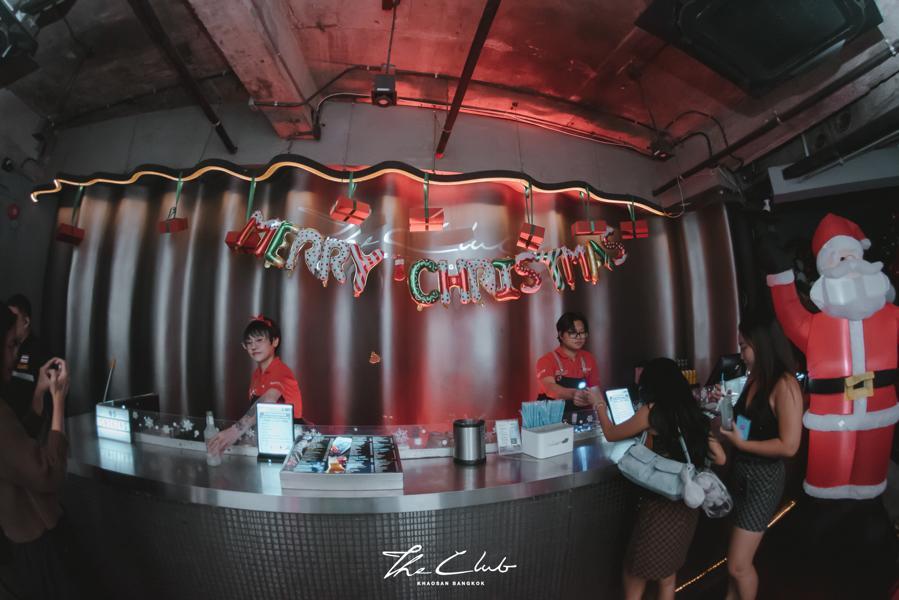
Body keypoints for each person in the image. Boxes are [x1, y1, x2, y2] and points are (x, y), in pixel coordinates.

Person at [595, 357, 726, 600]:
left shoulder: (652, 410)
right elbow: (720, 457)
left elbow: (612, 434)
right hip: (688, 504)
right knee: (668, 574)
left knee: (634, 571)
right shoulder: (692, 412)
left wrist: (599, 405)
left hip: (659, 506)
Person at [714, 315, 802, 600]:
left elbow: (789, 446)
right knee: (732, 559)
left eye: (744, 347)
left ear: (762, 345)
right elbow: (746, 427)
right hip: (740, 472)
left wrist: (743, 443)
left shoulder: (784, 384)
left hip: (764, 479)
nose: (741, 354)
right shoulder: (755, 378)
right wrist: (725, 411)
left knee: (739, 565)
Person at [0, 302, 80, 598]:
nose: (15, 355)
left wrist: (38, 394)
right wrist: (58, 401)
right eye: (11, 345)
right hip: (35, 545)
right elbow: (48, 474)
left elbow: (15, 448)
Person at [207, 315, 302, 456]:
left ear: (275, 341)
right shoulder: (256, 374)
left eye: (259, 340)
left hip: (289, 446)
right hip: (269, 442)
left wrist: (234, 432)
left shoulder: (280, 370)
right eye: (249, 342)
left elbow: (268, 400)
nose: (253, 346)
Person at [535, 312, 601, 420]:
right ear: (561, 335)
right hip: (551, 421)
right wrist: (574, 393)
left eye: (582, 333)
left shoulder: (589, 358)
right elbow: (550, 388)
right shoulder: (546, 360)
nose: (579, 337)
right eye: (572, 333)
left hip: (582, 418)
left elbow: (595, 391)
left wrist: (602, 415)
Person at [6, 293, 49, 434]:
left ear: (26, 321)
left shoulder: (40, 352)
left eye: (14, 318)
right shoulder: (4, 350)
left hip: (30, 425)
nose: (9, 323)